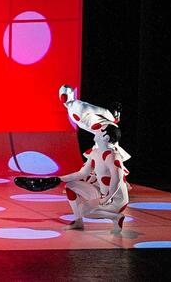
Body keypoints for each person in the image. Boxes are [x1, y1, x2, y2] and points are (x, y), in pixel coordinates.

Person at [58, 85, 130, 232]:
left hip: (105, 134)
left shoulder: (77, 106)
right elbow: (81, 174)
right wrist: (59, 179)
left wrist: (111, 118)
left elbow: (98, 111)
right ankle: (79, 221)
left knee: (108, 166)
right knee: (82, 179)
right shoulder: (73, 108)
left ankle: (114, 214)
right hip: (103, 136)